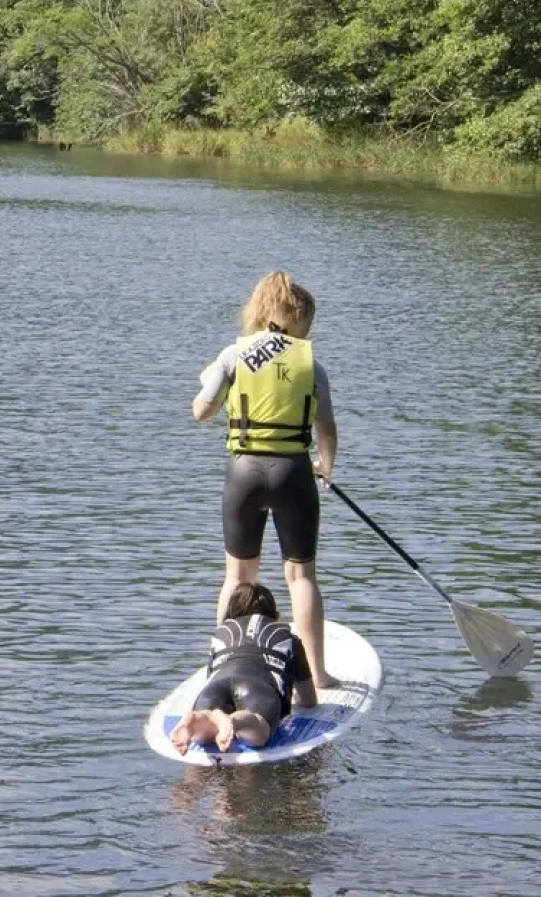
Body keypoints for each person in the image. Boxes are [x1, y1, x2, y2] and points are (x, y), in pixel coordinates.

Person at [192, 270, 339, 687]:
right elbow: (327, 430)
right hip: (293, 472)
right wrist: (325, 466)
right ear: (299, 320)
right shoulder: (312, 366)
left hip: (245, 473)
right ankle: (318, 675)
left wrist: (216, 388)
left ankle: (221, 668)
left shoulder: (232, 355)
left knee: (238, 578)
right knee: (301, 577)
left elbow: (201, 412)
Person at [169, 582, 318, 754]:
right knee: (258, 728)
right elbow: (309, 700)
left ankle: (196, 720)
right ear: (275, 615)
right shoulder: (288, 637)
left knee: (206, 732)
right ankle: (233, 722)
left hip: (216, 685)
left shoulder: (221, 633)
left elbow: (210, 676)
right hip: (258, 686)